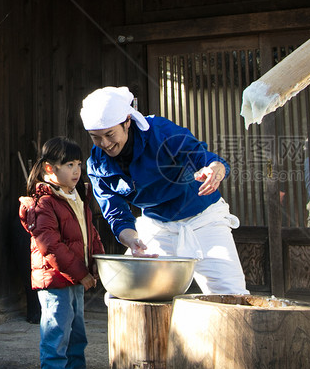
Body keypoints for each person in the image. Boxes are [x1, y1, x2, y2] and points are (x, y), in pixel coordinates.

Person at [80, 86, 248, 295]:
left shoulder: (158, 131)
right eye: (96, 137)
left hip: (203, 218)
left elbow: (197, 153)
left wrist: (215, 168)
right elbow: (116, 213)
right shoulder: (97, 164)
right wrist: (132, 240)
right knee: (128, 291)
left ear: (127, 122)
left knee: (230, 292)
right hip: (156, 225)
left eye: (110, 134)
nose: (104, 143)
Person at [18, 136, 106, 369]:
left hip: (75, 280)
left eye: (79, 163)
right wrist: (81, 274)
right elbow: (50, 246)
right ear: (48, 168)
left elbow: (90, 235)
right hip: (55, 281)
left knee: (77, 338)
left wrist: (97, 265)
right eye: (69, 164)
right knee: (56, 338)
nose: (77, 170)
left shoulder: (76, 196)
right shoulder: (43, 202)